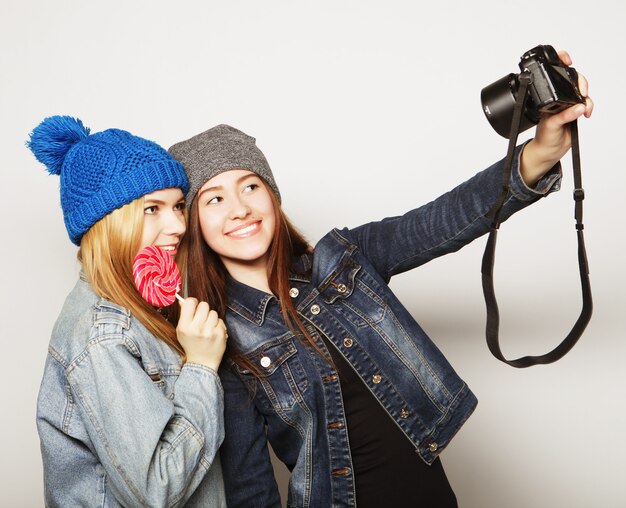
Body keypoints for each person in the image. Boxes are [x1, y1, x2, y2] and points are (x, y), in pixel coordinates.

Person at [169, 51, 593, 507]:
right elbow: (249, 485)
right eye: (213, 199)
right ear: (193, 223)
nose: (240, 208)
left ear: (272, 196)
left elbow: (442, 221)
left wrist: (541, 152)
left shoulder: (344, 257)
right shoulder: (215, 338)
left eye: (250, 186)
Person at [29, 116, 228, 507]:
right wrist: (202, 368)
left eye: (178, 206)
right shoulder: (103, 335)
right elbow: (157, 489)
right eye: (151, 209)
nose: (177, 225)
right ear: (106, 223)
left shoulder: (141, 311)